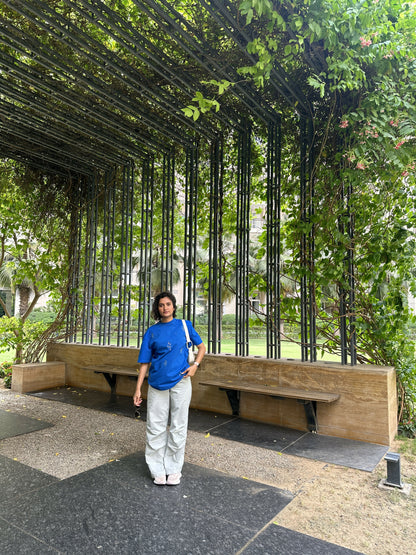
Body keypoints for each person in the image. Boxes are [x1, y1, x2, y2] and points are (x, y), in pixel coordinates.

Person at [133, 291, 206, 486]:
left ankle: (174, 469)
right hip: (156, 384)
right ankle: (157, 469)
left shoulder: (185, 325)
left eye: (168, 304)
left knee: (178, 425)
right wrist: (138, 388)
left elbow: (202, 347)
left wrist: (195, 367)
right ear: (157, 309)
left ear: (174, 306)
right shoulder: (152, 332)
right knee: (155, 427)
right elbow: (144, 363)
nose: (165, 307)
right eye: (161, 305)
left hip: (181, 382)